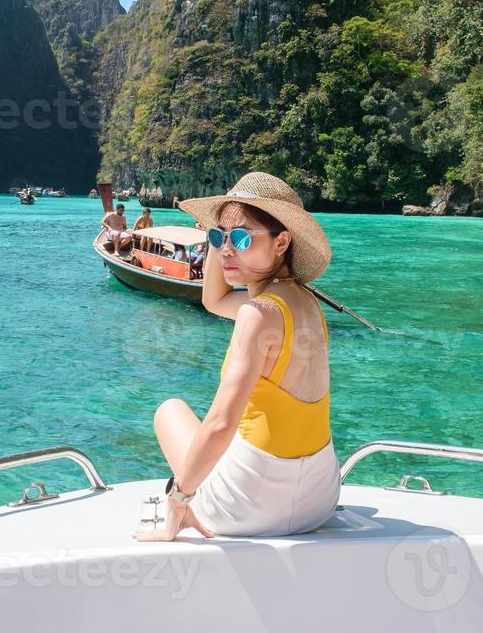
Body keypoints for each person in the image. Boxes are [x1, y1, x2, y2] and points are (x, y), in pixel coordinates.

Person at [136, 172, 338, 542]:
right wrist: (222, 236)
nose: (227, 249)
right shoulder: (306, 304)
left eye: (242, 238)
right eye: (218, 238)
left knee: (170, 410)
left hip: (252, 507)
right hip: (319, 498)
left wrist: (179, 499)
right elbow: (213, 300)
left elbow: (219, 425)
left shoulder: (257, 314)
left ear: (281, 244)